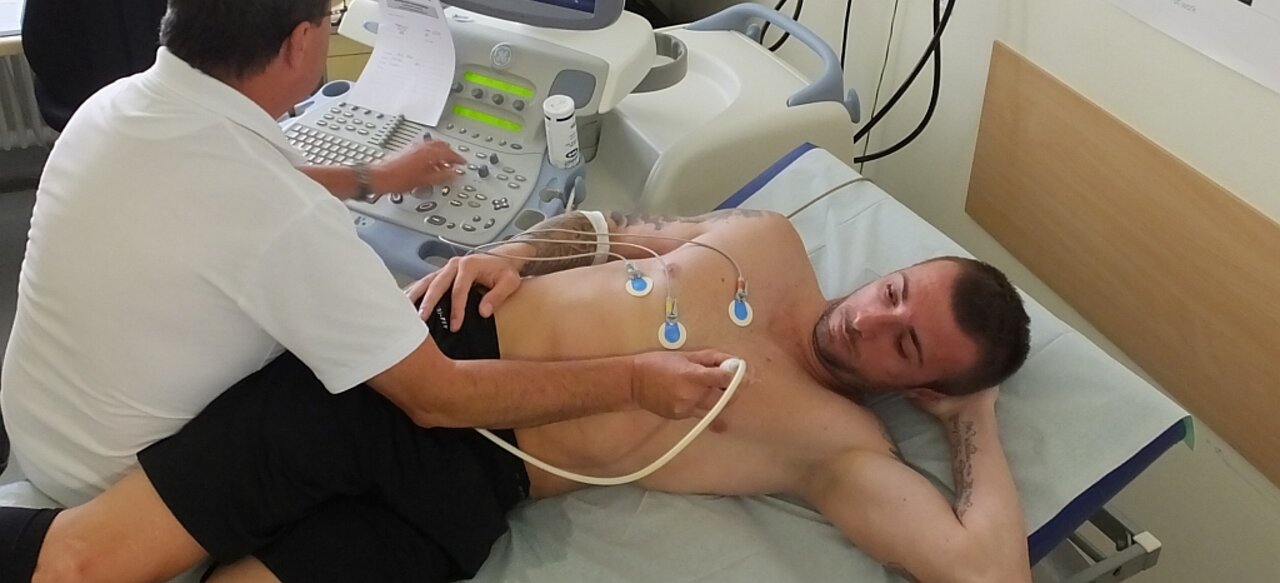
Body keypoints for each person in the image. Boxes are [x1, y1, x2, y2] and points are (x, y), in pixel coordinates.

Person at [0, 0, 737, 575]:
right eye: (331, 16)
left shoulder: (116, 106)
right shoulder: (282, 219)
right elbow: (438, 398)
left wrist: (372, 178)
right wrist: (634, 379)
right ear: (301, 41)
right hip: (129, 487)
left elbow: (237, 187)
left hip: (47, 432)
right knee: (364, 425)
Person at [4, 207, 1033, 583]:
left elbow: (984, 571)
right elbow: (616, 229)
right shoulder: (767, 241)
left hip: (469, 494)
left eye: (905, 345)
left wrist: (972, 417)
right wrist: (521, 251)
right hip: (412, 368)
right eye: (894, 293)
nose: (868, 320)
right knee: (85, 562)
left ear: (922, 384)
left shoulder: (838, 445)